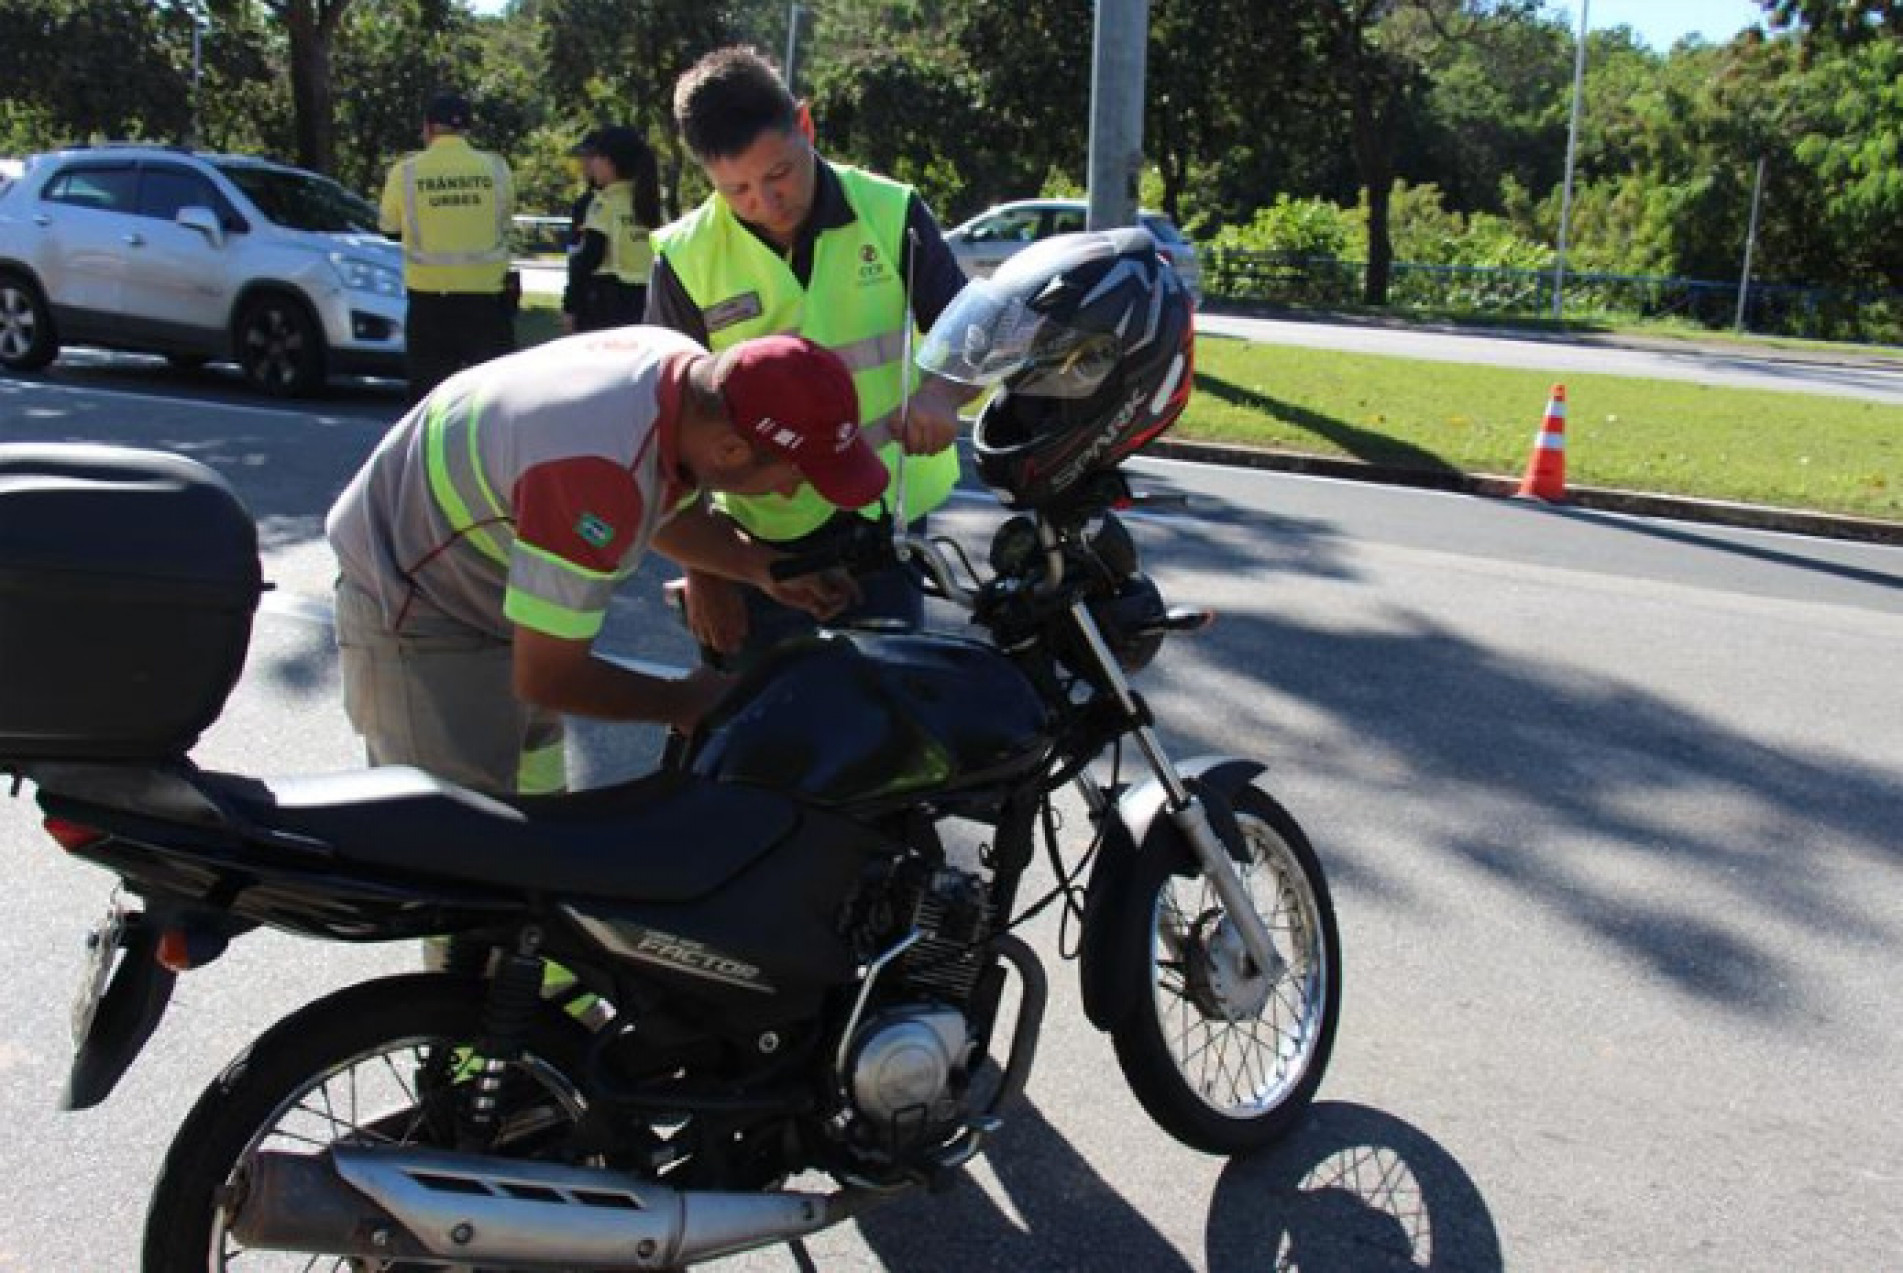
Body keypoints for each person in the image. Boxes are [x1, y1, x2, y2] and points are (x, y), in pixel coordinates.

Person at [325, 328, 880, 798]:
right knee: (462, 849)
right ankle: (471, 927)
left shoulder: (686, 377)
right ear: (731, 450)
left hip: (499, 575)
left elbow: (660, 507)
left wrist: (764, 566)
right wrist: (684, 700)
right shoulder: (595, 473)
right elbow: (548, 676)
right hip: (416, 596)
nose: (790, 493)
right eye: (794, 475)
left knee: (539, 819)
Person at [644, 45, 974, 672]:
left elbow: (966, 332)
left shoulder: (891, 212)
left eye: (779, 174)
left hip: (884, 514)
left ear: (805, 125)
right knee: (759, 732)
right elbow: (667, 430)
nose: (765, 203)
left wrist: (942, 392)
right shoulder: (684, 258)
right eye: (736, 189)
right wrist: (705, 570)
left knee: (885, 720)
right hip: (759, 529)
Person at [380, 90, 517, 404]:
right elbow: (504, 222)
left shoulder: (407, 171)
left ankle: (432, 454)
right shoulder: (496, 168)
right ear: (467, 129)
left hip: (430, 304)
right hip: (487, 301)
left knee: (429, 403)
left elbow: (389, 227)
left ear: (427, 128)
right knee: (492, 401)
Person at [563, 126, 662, 333]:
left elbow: (590, 256)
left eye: (594, 157)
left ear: (609, 162)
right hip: (649, 299)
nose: (589, 164)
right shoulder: (650, 204)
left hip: (609, 304)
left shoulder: (605, 204)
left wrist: (570, 306)